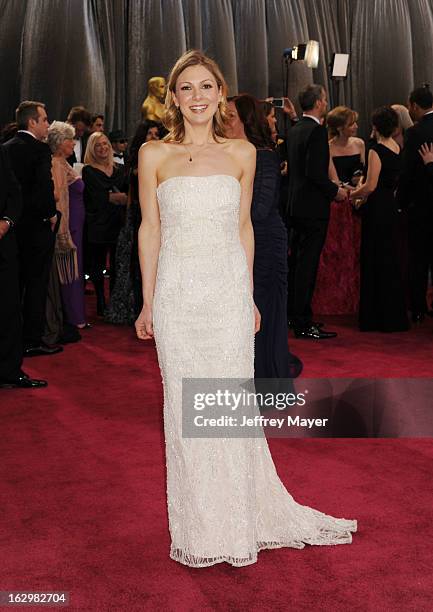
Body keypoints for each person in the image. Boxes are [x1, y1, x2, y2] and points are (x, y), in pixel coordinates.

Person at [135, 50, 356, 568]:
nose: (196, 97)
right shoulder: (153, 155)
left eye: (205, 87)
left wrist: (250, 298)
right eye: (185, 88)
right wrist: (147, 301)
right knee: (184, 413)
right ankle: (201, 526)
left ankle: (236, 520)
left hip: (227, 293)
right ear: (173, 97)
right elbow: (150, 229)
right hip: (177, 295)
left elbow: (243, 228)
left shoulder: (243, 153)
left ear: (221, 94)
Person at [227, 94, 302, 381]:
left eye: (232, 116)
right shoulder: (230, 154)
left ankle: (264, 382)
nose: (225, 120)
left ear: (246, 120)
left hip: (264, 245)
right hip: (240, 243)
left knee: (262, 311)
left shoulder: (264, 156)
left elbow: (259, 210)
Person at [286, 85, 347, 339]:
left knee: (297, 265)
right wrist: (336, 192)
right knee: (307, 266)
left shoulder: (296, 129)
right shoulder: (317, 131)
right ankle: (302, 322)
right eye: (324, 99)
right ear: (320, 104)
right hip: (312, 208)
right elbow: (315, 173)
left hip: (294, 206)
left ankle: (296, 316)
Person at [3, 101, 62, 357]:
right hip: (36, 227)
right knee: (37, 283)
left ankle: (13, 340)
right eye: (45, 119)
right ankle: (32, 339)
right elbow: (43, 189)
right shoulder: (39, 149)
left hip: (12, 227)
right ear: (32, 122)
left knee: (14, 285)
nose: (48, 124)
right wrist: (50, 215)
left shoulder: (6, 148)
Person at [350, 106, 409, 332]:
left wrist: (351, 193)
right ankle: (393, 315)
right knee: (389, 259)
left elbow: (370, 186)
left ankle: (375, 317)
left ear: (375, 126)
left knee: (375, 259)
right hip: (391, 208)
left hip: (377, 210)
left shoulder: (376, 150)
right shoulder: (396, 147)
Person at [0, 145, 47, 388]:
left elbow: (14, 192)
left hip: (3, 244)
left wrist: (6, 222)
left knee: (9, 307)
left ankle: (10, 371)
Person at [105, 121, 160, 325]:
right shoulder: (137, 161)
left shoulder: (166, 157)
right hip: (138, 215)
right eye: (149, 134)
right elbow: (130, 194)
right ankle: (139, 309)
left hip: (161, 215)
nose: (153, 137)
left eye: (156, 134)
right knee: (136, 265)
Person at [397, 84, 433, 323]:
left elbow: (407, 173)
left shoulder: (415, 133)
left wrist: (401, 202)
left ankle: (419, 307)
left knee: (418, 258)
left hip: (421, 206)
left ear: (414, 106)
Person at [82, 132, 128, 315]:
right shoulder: (88, 171)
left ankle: (115, 303)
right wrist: (113, 197)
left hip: (118, 223)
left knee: (117, 265)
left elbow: (125, 196)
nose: (102, 148)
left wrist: (111, 198)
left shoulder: (119, 169)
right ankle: (101, 301)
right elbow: (96, 199)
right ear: (92, 149)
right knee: (97, 265)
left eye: (105, 144)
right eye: (97, 145)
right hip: (98, 224)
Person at [48, 121, 86, 329]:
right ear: (59, 142)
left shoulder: (63, 162)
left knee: (75, 271)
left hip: (76, 225)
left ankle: (74, 316)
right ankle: (72, 318)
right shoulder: (56, 163)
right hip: (68, 227)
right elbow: (59, 199)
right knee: (70, 271)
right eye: (69, 139)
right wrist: (63, 232)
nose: (73, 143)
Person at [327, 106, 365, 185]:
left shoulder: (359, 143)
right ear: (339, 128)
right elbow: (333, 180)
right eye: (351, 124)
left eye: (355, 123)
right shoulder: (328, 148)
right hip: (338, 193)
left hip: (359, 192)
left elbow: (362, 171)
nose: (356, 126)